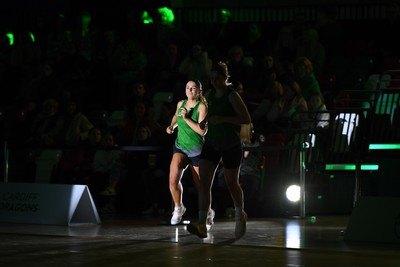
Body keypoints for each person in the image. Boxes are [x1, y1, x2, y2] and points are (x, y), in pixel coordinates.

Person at [186, 62, 251, 239]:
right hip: (212, 144)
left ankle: (240, 215)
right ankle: (201, 222)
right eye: (212, 79)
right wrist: (203, 123)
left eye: (218, 78)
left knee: (232, 183)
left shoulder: (232, 95)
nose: (214, 82)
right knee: (204, 182)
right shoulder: (208, 94)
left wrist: (223, 119)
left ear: (225, 78)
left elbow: (245, 118)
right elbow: (206, 115)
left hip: (230, 144)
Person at [166, 80, 212, 227]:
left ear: (199, 91)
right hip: (180, 147)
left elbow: (202, 130)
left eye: (193, 88)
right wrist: (172, 125)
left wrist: (186, 118)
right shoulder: (181, 104)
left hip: (196, 150)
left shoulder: (202, 107)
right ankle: (179, 208)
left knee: (201, 186)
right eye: (187, 88)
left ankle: (209, 212)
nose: (190, 90)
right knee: (173, 180)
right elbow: (175, 116)